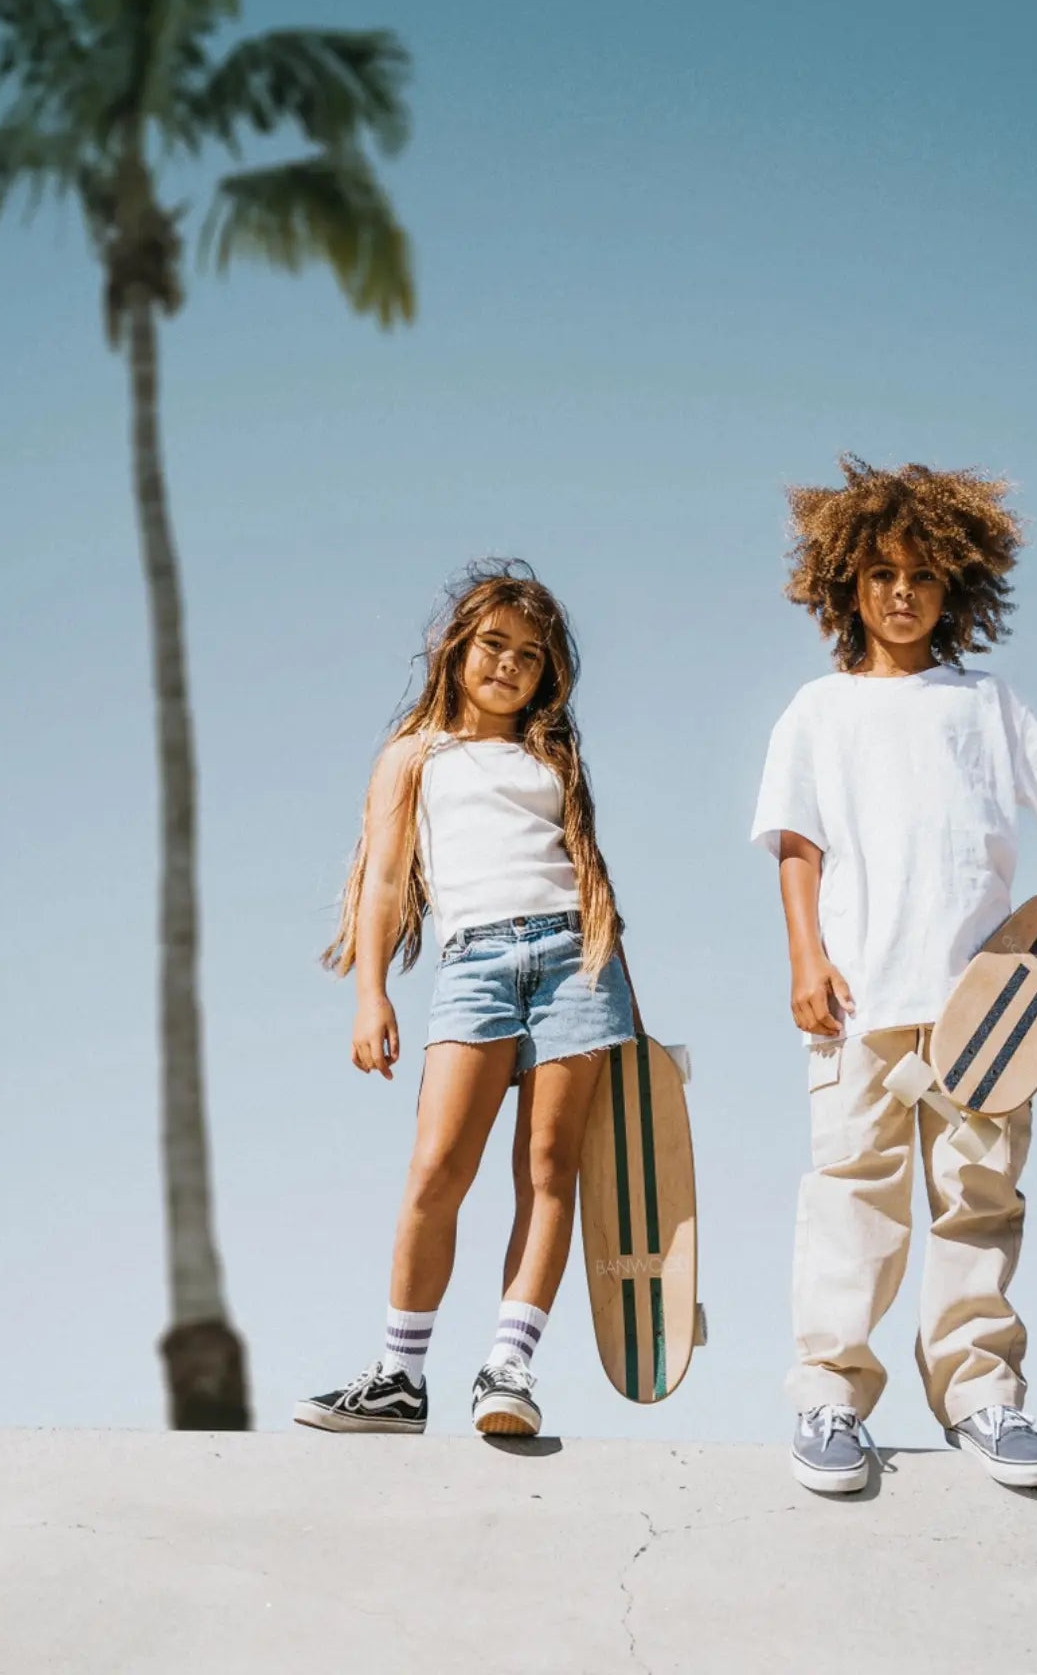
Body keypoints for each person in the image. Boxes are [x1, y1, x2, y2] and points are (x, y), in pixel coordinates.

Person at [752, 457, 1037, 1494]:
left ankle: (982, 1395)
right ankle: (829, 1396)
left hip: (990, 1005)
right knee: (850, 1194)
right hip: (859, 999)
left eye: (922, 574)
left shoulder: (988, 702)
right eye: (880, 574)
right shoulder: (817, 709)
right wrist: (804, 957)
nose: (902, 591)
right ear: (844, 585)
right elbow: (796, 845)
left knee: (977, 1197)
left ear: (956, 583)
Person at [296, 561, 635, 1439]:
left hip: (575, 959)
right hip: (475, 965)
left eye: (529, 654)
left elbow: (586, 877)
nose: (508, 665)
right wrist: (370, 994)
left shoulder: (551, 757)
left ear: (546, 671)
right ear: (456, 649)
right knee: (437, 1170)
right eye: (493, 644)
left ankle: (507, 1370)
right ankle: (399, 1378)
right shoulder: (414, 756)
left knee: (549, 1170)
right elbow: (380, 881)